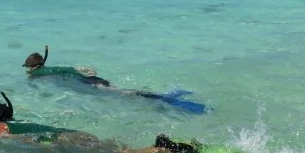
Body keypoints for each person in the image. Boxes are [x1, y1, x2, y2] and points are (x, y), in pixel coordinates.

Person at [0, 92, 200, 153]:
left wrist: (41, 147)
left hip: (61, 141)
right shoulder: (20, 121)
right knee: (113, 150)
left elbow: (7, 137)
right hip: (73, 134)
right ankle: (160, 151)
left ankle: (164, 148)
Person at [22, 45, 207, 114]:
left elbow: (34, 78)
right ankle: (167, 96)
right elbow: (84, 69)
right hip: (94, 79)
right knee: (124, 91)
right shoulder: (58, 68)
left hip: (90, 84)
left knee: (127, 94)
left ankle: (167, 99)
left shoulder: (39, 74)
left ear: (33, 67)